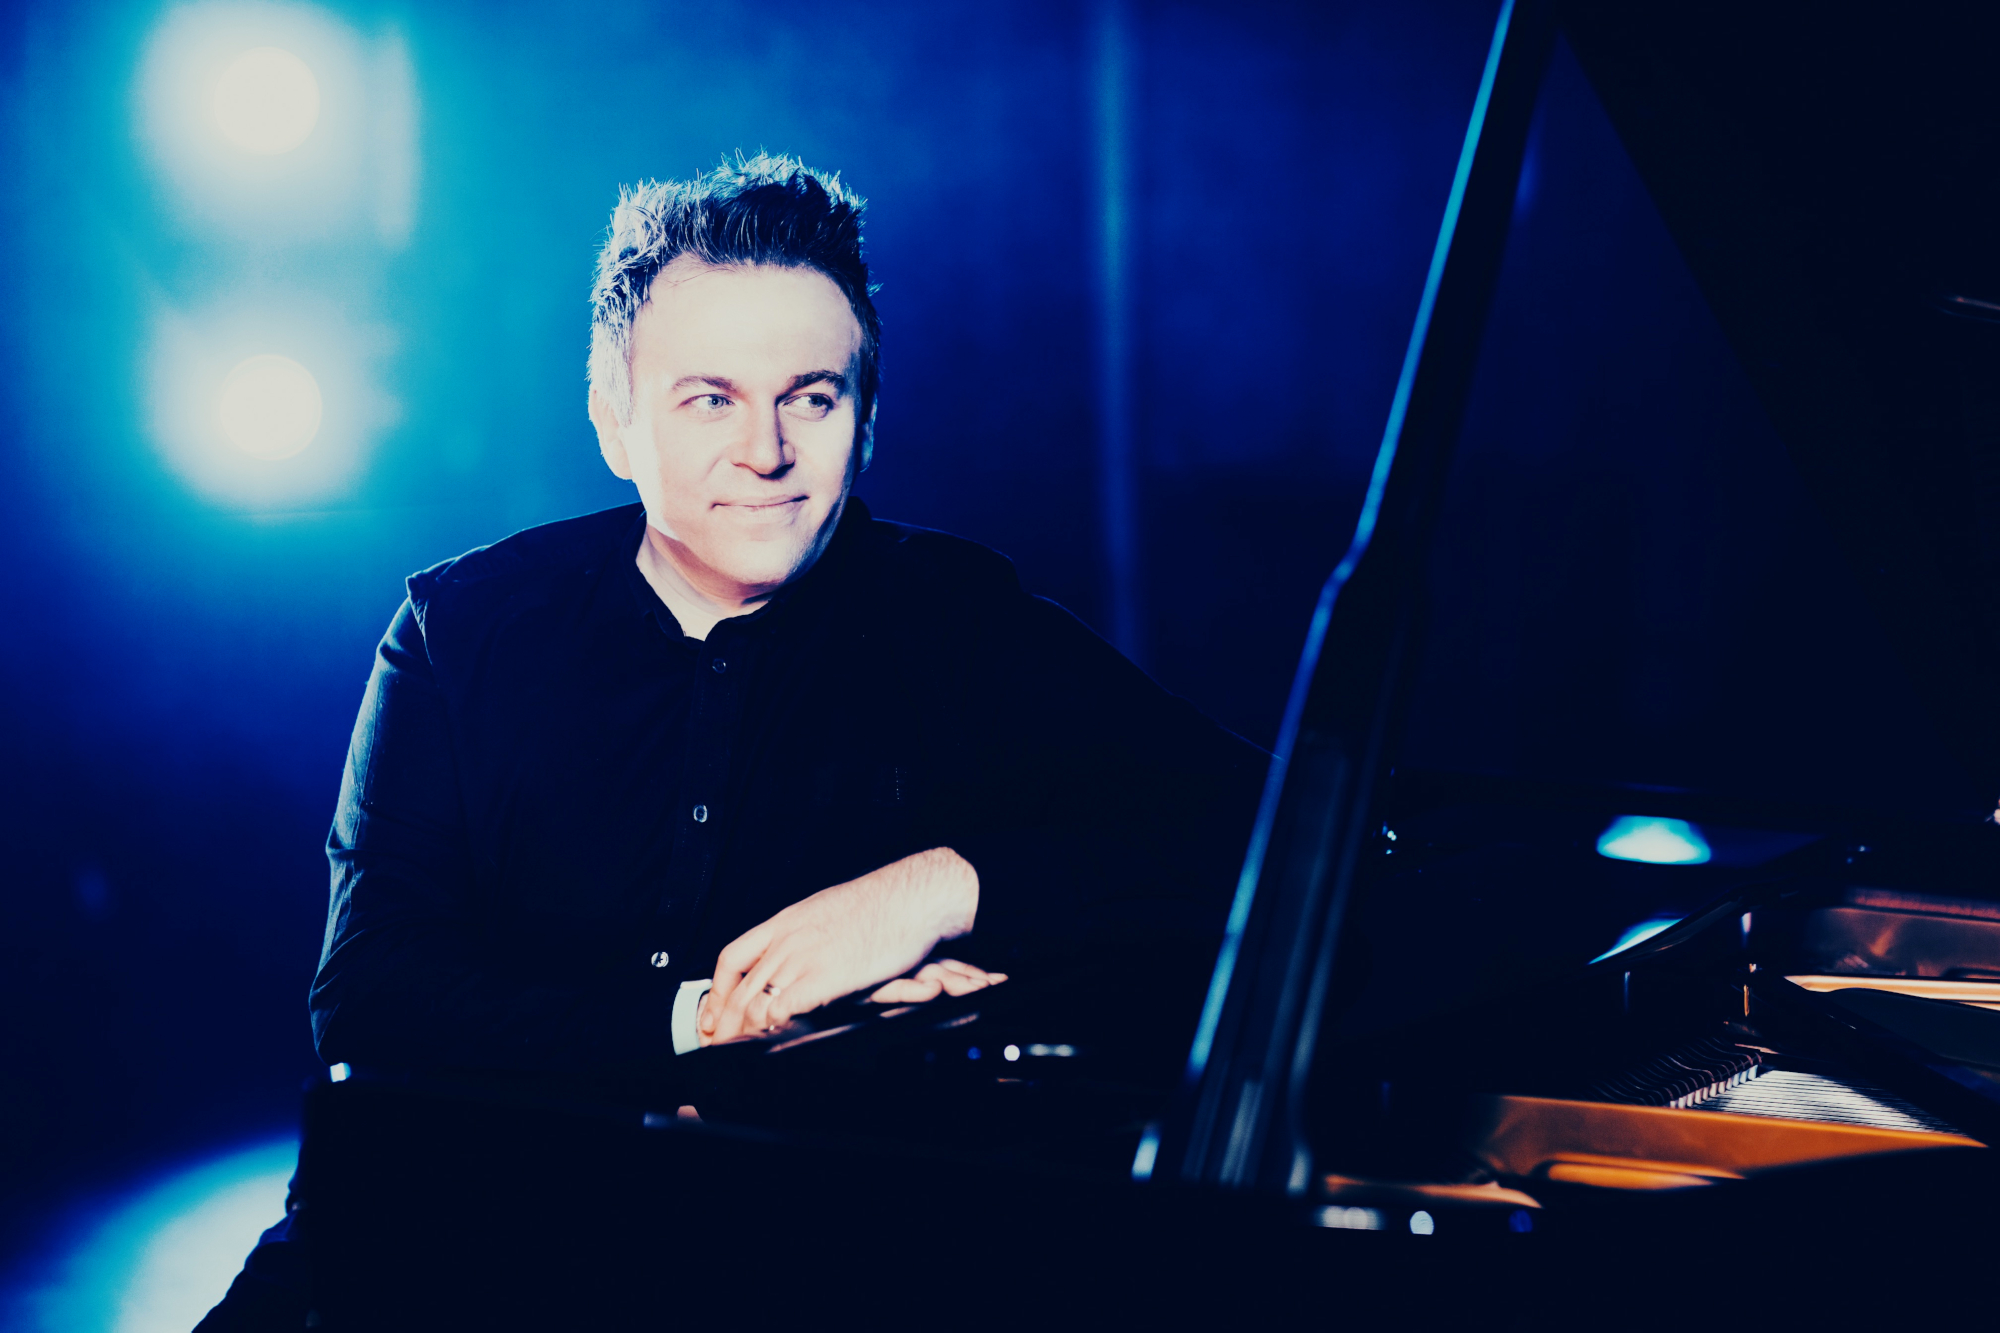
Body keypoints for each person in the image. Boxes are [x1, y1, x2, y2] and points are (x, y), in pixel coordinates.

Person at [198, 152, 1264, 1329]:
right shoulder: (461, 630)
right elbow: (371, 997)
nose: (765, 450)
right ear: (614, 420)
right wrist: (709, 1019)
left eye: (810, 396)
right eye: (709, 398)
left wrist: (943, 886)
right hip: (439, 1233)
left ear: (867, 421)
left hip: (796, 1254)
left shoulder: (958, 619)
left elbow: (1276, 833)